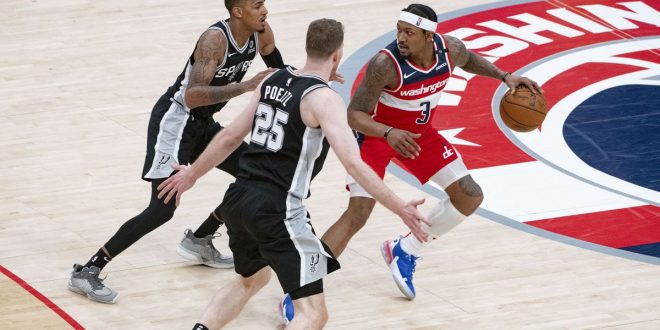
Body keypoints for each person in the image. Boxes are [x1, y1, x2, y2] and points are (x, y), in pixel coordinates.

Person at [157, 18, 430, 329]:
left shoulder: (272, 80)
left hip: (237, 200)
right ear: (338, 54)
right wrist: (400, 208)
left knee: (251, 279)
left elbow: (232, 136)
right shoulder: (325, 99)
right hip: (279, 210)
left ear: (306, 47)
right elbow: (354, 165)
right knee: (313, 314)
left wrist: (192, 174)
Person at [278, 3, 545, 320]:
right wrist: (388, 132)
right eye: (399, 30)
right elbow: (354, 115)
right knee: (357, 215)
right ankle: (301, 291)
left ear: (429, 36)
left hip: (420, 136)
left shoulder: (450, 50)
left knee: (470, 195)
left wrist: (504, 76)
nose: (401, 38)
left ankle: (404, 250)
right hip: (377, 136)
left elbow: (469, 59)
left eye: (409, 32)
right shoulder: (385, 64)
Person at [68, 0, 286, 304]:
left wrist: (312, 78)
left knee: (255, 174)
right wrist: (245, 87)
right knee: (162, 208)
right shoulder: (216, 40)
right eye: (257, 5)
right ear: (238, 11)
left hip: (204, 123)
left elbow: (277, 65)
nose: (265, 11)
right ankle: (88, 269)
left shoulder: (260, 31)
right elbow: (192, 95)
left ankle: (200, 238)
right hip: (176, 122)